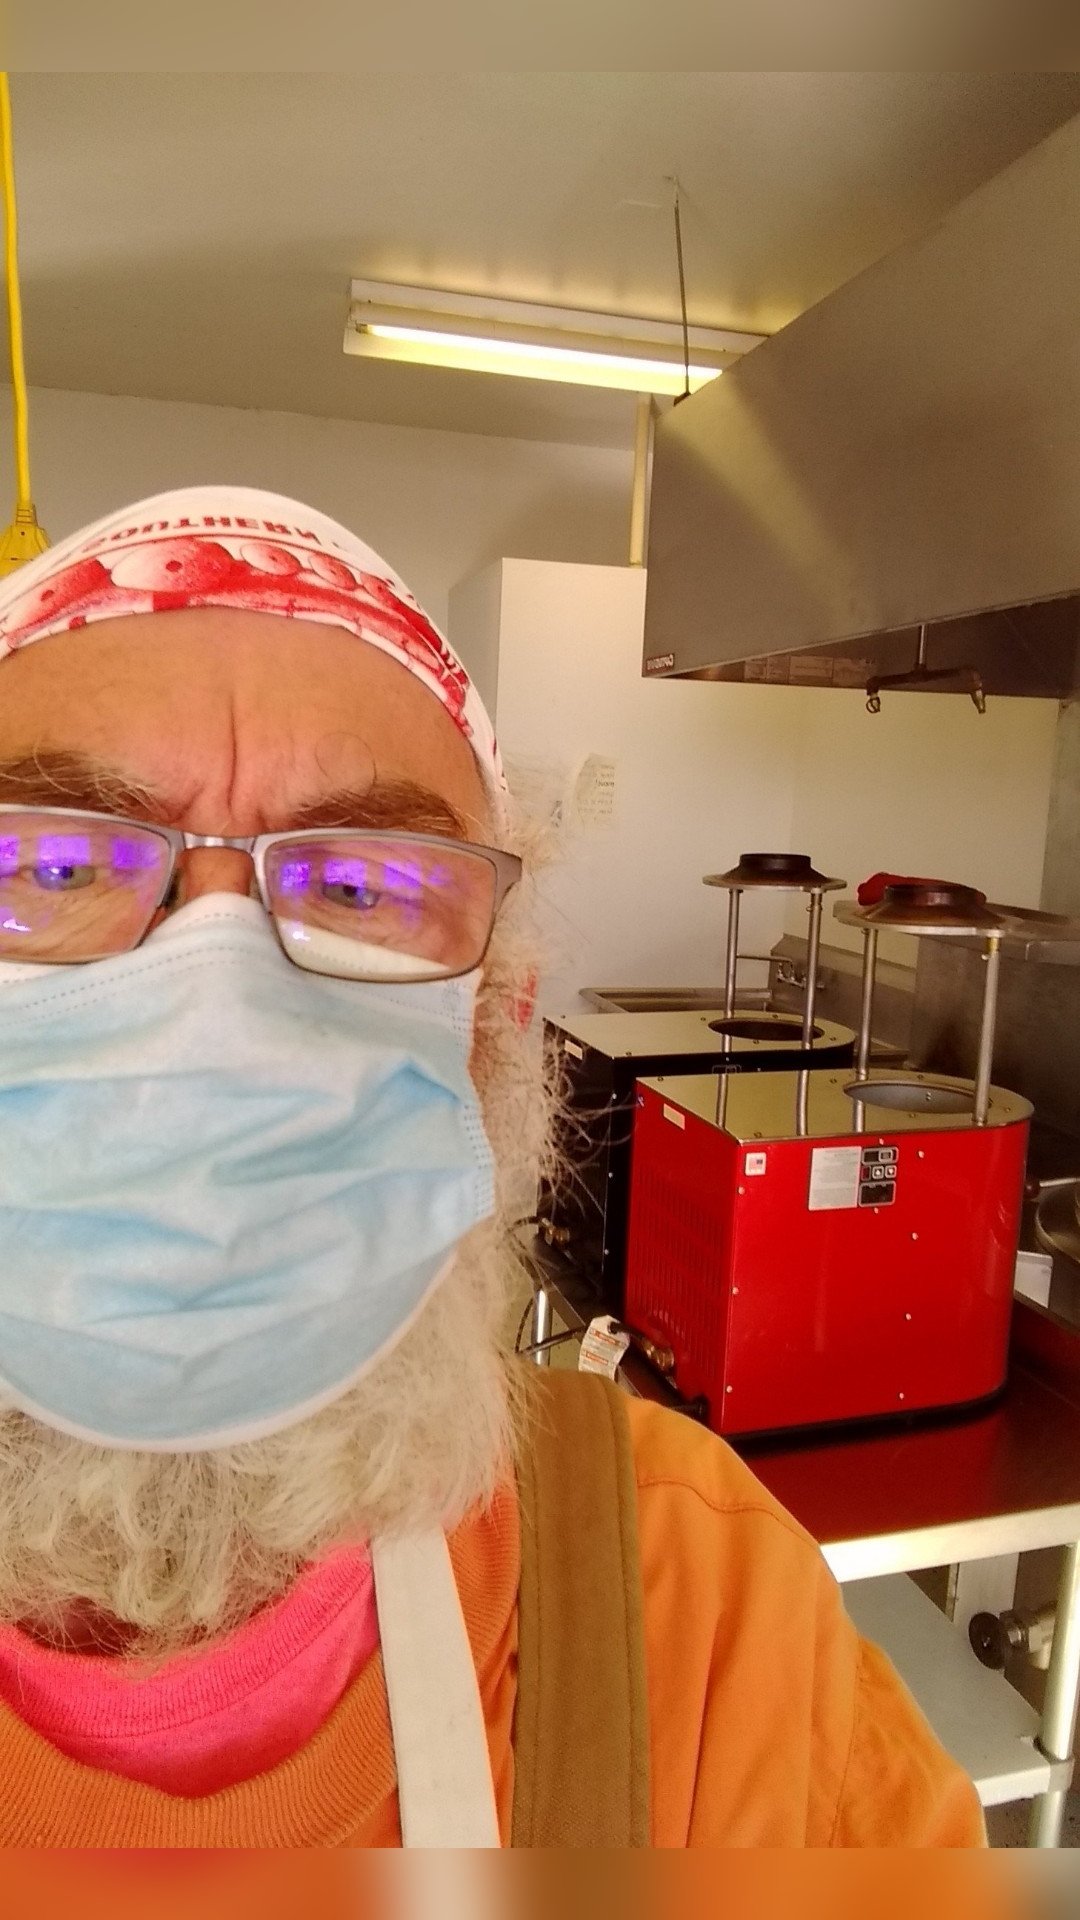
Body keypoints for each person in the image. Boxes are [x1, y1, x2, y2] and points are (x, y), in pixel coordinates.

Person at [0, 486, 983, 1847]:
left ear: (492, 1032)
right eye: (54, 863)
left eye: (363, 888)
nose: (214, 1005)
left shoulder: (698, 1609)